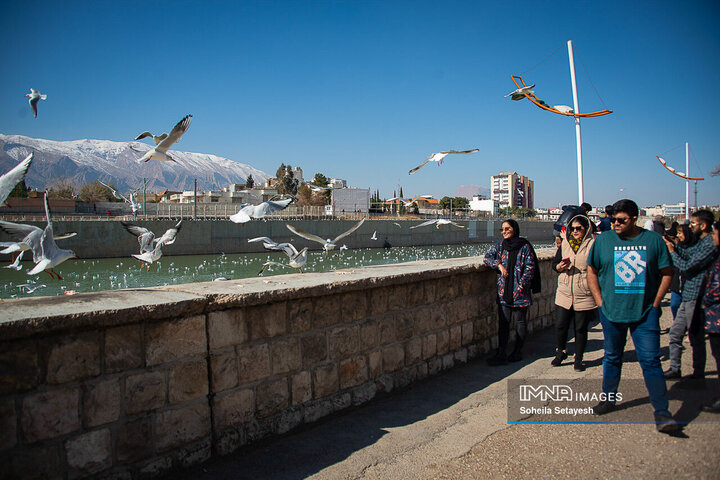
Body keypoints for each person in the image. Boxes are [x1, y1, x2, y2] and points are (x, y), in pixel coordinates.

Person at [586, 199, 679, 433]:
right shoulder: (603, 240)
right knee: (612, 357)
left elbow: (667, 273)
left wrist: (656, 303)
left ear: (634, 219)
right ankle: (608, 399)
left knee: (650, 361)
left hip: (645, 313)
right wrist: (600, 302)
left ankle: (662, 412)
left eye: (621, 220)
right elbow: (592, 272)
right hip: (611, 312)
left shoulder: (653, 242)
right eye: (613, 220)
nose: (615, 224)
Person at [663, 210, 717, 380]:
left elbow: (688, 266)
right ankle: (675, 368)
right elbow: (688, 255)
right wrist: (674, 246)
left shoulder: (709, 244)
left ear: (703, 225)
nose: (690, 226)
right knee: (675, 333)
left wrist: (672, 252)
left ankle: (698, 373)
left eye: (693, 223)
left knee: (695, 337)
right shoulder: (702, 242)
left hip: (696, 295)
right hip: (688, 295)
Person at [484, 219, 539, 365]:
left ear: (514, 229)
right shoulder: (501, 246)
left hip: (520, 292)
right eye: (502, 229)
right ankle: (501, 352)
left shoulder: (524, 246)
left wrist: (521, 285)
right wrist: (499, 265)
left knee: (520, 322)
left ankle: (517, 351)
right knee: (504, 322)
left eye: (507, 229)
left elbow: (530, 267)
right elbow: (487, 257)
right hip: (504, 292)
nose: (504, 232)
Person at [551, 214, 597, 371]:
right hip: (564, 292)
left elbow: (598, 267)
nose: (575, 231)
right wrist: (559, 267)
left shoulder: (592, 245)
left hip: (584, 292)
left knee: (580, 328)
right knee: (560, 325)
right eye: (573, 228)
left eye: (579, 228)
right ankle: (561, 351)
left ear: (586, 229)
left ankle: (579, 358)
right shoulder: (565, 243)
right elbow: (555, 264)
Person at [700, 220, 720, 413]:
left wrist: (705, 299)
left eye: (716, 234)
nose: (713, 237)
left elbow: (715, 288)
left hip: (717, 315)